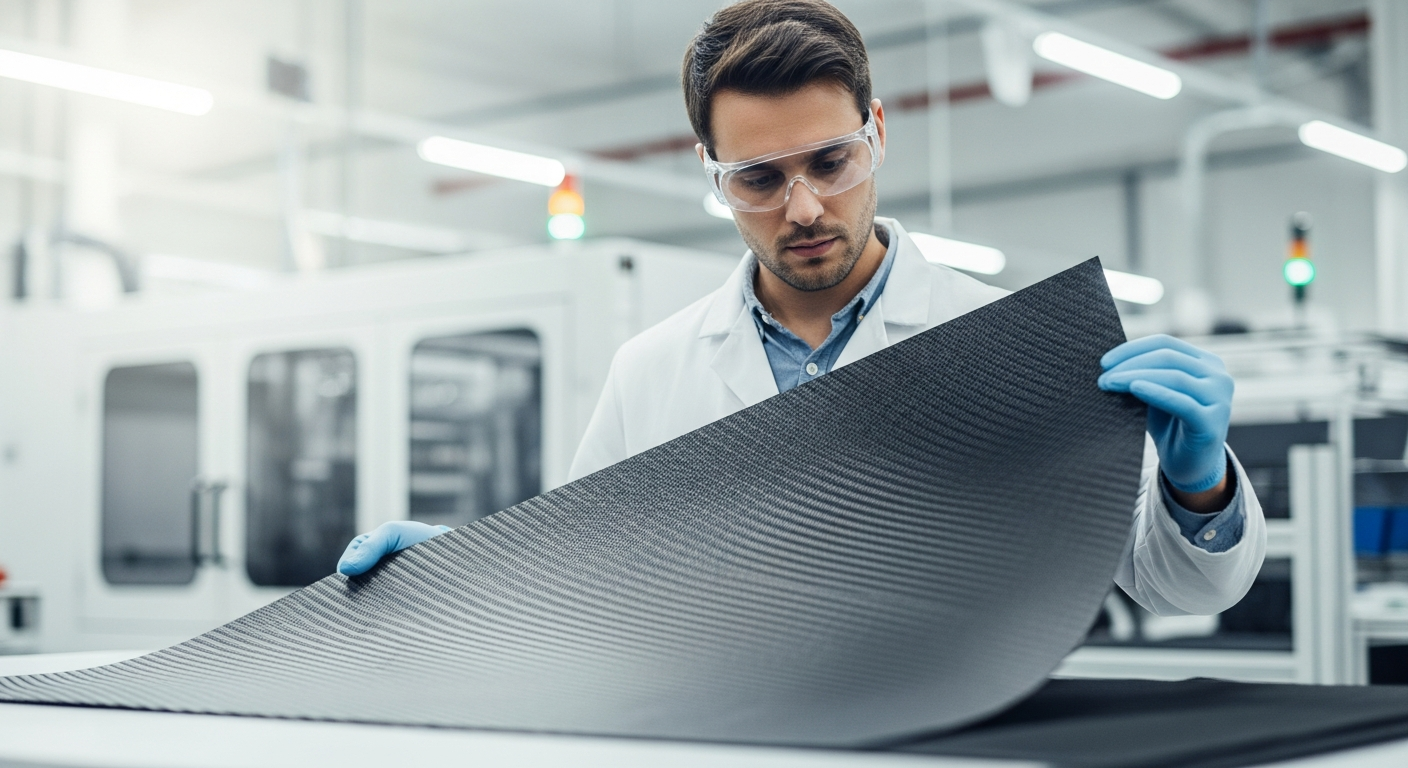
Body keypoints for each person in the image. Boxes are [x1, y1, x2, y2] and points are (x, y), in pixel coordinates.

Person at [339, 0, 1265, 617]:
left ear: (877, 137)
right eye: (758, 178)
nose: (806, 207)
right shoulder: (654, 369)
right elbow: (591, 588)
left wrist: (1199, 487)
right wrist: (460, 573)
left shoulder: (1010, 341)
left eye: (830, 161)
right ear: (714, 177)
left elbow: (1175, 586)